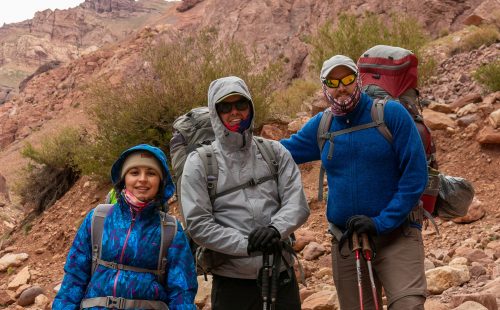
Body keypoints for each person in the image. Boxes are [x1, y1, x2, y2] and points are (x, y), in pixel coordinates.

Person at [281, 55, 429, 310]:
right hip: (348, 240)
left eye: (347, 78)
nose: (341, 87)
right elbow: (282, 152)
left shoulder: (390, 114)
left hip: (397, 235)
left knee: (408, 305)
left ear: (358, 79)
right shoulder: (323, 125)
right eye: (333, 81)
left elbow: (415, 177)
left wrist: (381, 222)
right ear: (324, 87)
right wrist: (236, 142)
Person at [180, 76, 310, 310]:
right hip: (232, 282)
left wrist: (274, 230)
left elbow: (297, 204)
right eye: (225, 107)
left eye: (241, 104)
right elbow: (198, 223)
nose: (235, 112)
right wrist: (246, 244)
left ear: (250, 107)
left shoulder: (275, 152)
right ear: (215, 112)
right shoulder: (199, 163)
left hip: (281, 274)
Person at [53, 144, 198, 310]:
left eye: (151, 173)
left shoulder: (170, 230)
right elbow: (74, 278)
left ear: (160, 182)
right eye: (134, 172)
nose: (142, 179)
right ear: (124, 179)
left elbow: (182, 291)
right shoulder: (98, 219)